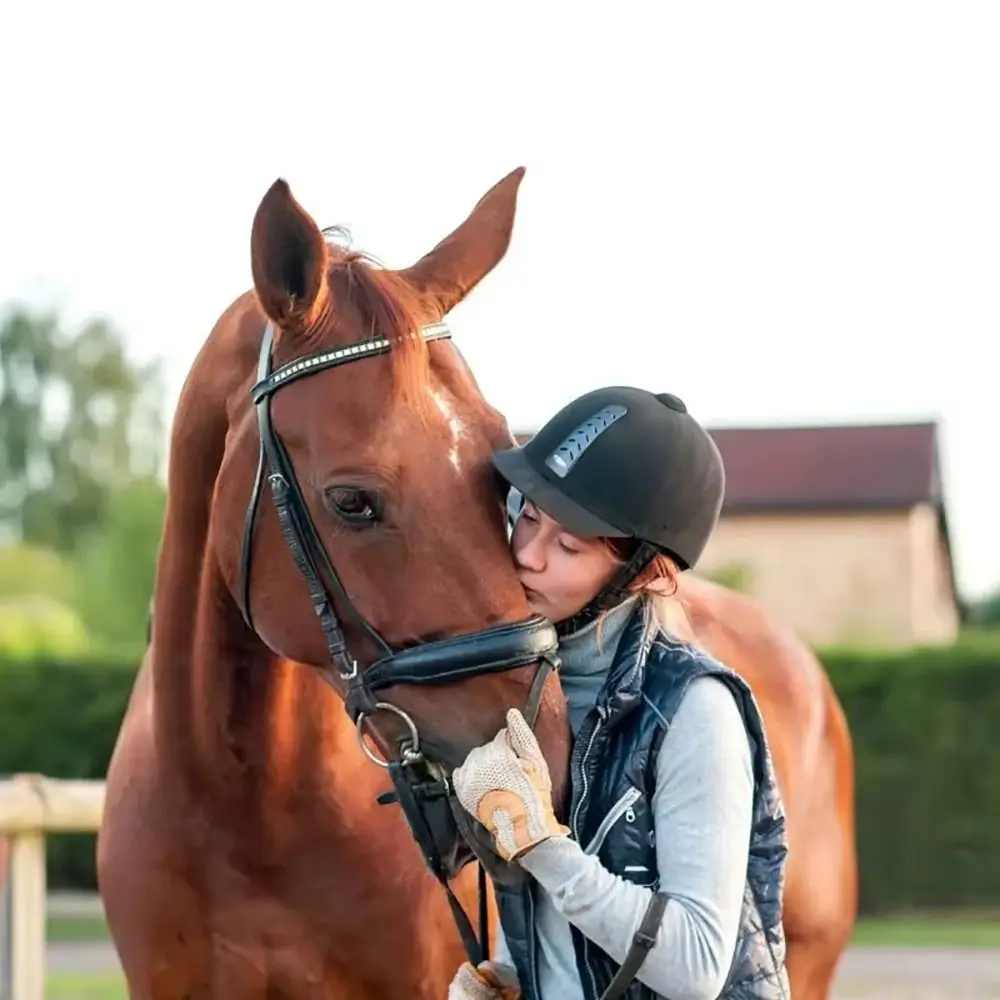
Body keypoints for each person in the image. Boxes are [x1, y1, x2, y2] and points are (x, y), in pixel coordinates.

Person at [448, 387, 790, 1000]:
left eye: (568, 546)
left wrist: (542, 845)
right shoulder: (527, 685)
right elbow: (552, 909)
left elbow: (695, 968)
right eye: (529, 517)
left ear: (647, 574)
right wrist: (513, 973)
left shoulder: (695, 710)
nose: (527, 557)